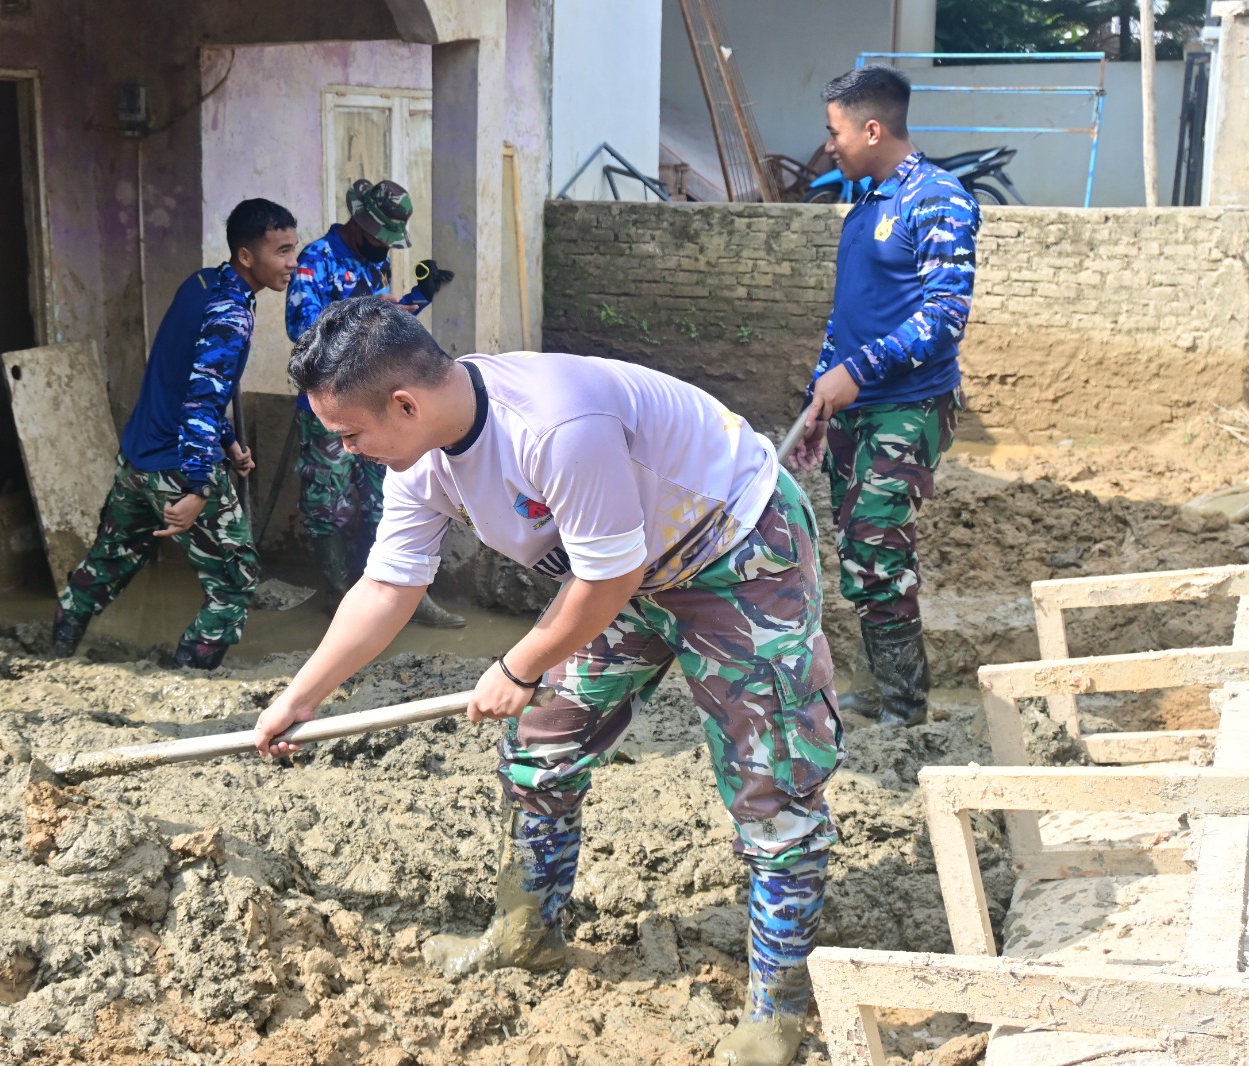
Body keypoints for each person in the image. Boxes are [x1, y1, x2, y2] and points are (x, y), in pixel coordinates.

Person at [249, 298, 842, 1066]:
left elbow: (610, 572)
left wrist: (517, 663)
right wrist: (300, 698)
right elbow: (389, 585)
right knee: (542, 747)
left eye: (350, 433)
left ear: (405, 402)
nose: (346, 449)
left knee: (774, 783)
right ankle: (526, 932)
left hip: (735, 550)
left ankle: (777, 1012)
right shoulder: (418, 456)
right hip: (628, 572)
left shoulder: (556, 424)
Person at [786, 66, 981, 728]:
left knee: (876, 546)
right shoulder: (865, 203)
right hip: (856, 405)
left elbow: (945, 316)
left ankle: (904, 712)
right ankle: (879, 691)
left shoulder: (940, 200)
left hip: (911, 403)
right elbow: (848, 317)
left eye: (834, 131)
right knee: (859, 553)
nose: (829, 145)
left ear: (872, 128)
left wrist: (859, 372)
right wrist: (822, 393)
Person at [49, 199, 299, 670]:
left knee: (110, 559)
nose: (292, 263)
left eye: (294, 249)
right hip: (176, 466)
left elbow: (190, 381)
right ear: (247, 256)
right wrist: (200, 488)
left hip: (138, 456)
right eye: (282, 251)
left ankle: (58, 647)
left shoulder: (202, 283)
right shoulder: (232, 315)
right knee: (235, 582)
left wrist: (229, 443)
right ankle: (190, 675)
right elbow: (200, 403)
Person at [285, 178, 464, 627]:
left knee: (384, 498)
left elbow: (375, 335)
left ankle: (402, 595)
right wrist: (364, 305)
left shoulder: (375, 261)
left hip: (378, 407)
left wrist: (417, 298)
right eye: (377, 237)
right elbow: (302, 327)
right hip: (332, 411)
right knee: (329, 501)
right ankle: (339, 595)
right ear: (358, 223)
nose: (383, 248)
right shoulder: (316, 259)